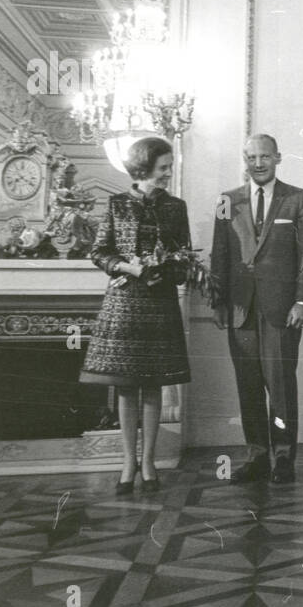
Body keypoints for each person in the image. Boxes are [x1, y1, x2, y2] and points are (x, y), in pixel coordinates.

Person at [79, 136, 191, 495]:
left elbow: (185, 259)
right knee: (126, 388)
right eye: (163, 168)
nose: (168, 174)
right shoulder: (116, 205)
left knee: (154, 385)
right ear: (143, 168)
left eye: (170, 167)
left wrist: (165, 269)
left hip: (158, 305)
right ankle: (128, 462)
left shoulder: (176, 207)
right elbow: (99, 253)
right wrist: (129, 267)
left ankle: (149, 462)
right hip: (125, 304)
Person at [210, 134, 303, 485]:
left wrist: (302, 301)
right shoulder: (227, 201)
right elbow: (219, 255)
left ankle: (284, 458)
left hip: (281, 310)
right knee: (249, 386)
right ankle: (257, 456)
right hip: (240, 310)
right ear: (245, 159)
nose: (258, 163)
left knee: (281, 387)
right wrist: (219, 302)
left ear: (278, 158)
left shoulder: (297, 198)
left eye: (265, 156)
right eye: (252, 157)